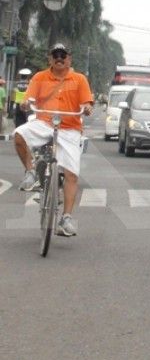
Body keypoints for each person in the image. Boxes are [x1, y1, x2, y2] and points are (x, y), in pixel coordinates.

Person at [14, 43, 94, 236]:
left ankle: (66, 218)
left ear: (69, 59)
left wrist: (88, 107)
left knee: (72, 174)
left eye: (63, 55)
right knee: (19, 135)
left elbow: (86, 102)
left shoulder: (79, 79)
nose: (59, 58)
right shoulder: (39, 77)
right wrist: (26, 104)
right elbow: (30, 99)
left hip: (70, 129)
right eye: (55, 55)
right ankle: (31, 171)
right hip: (44, 123)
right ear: (49, 59)